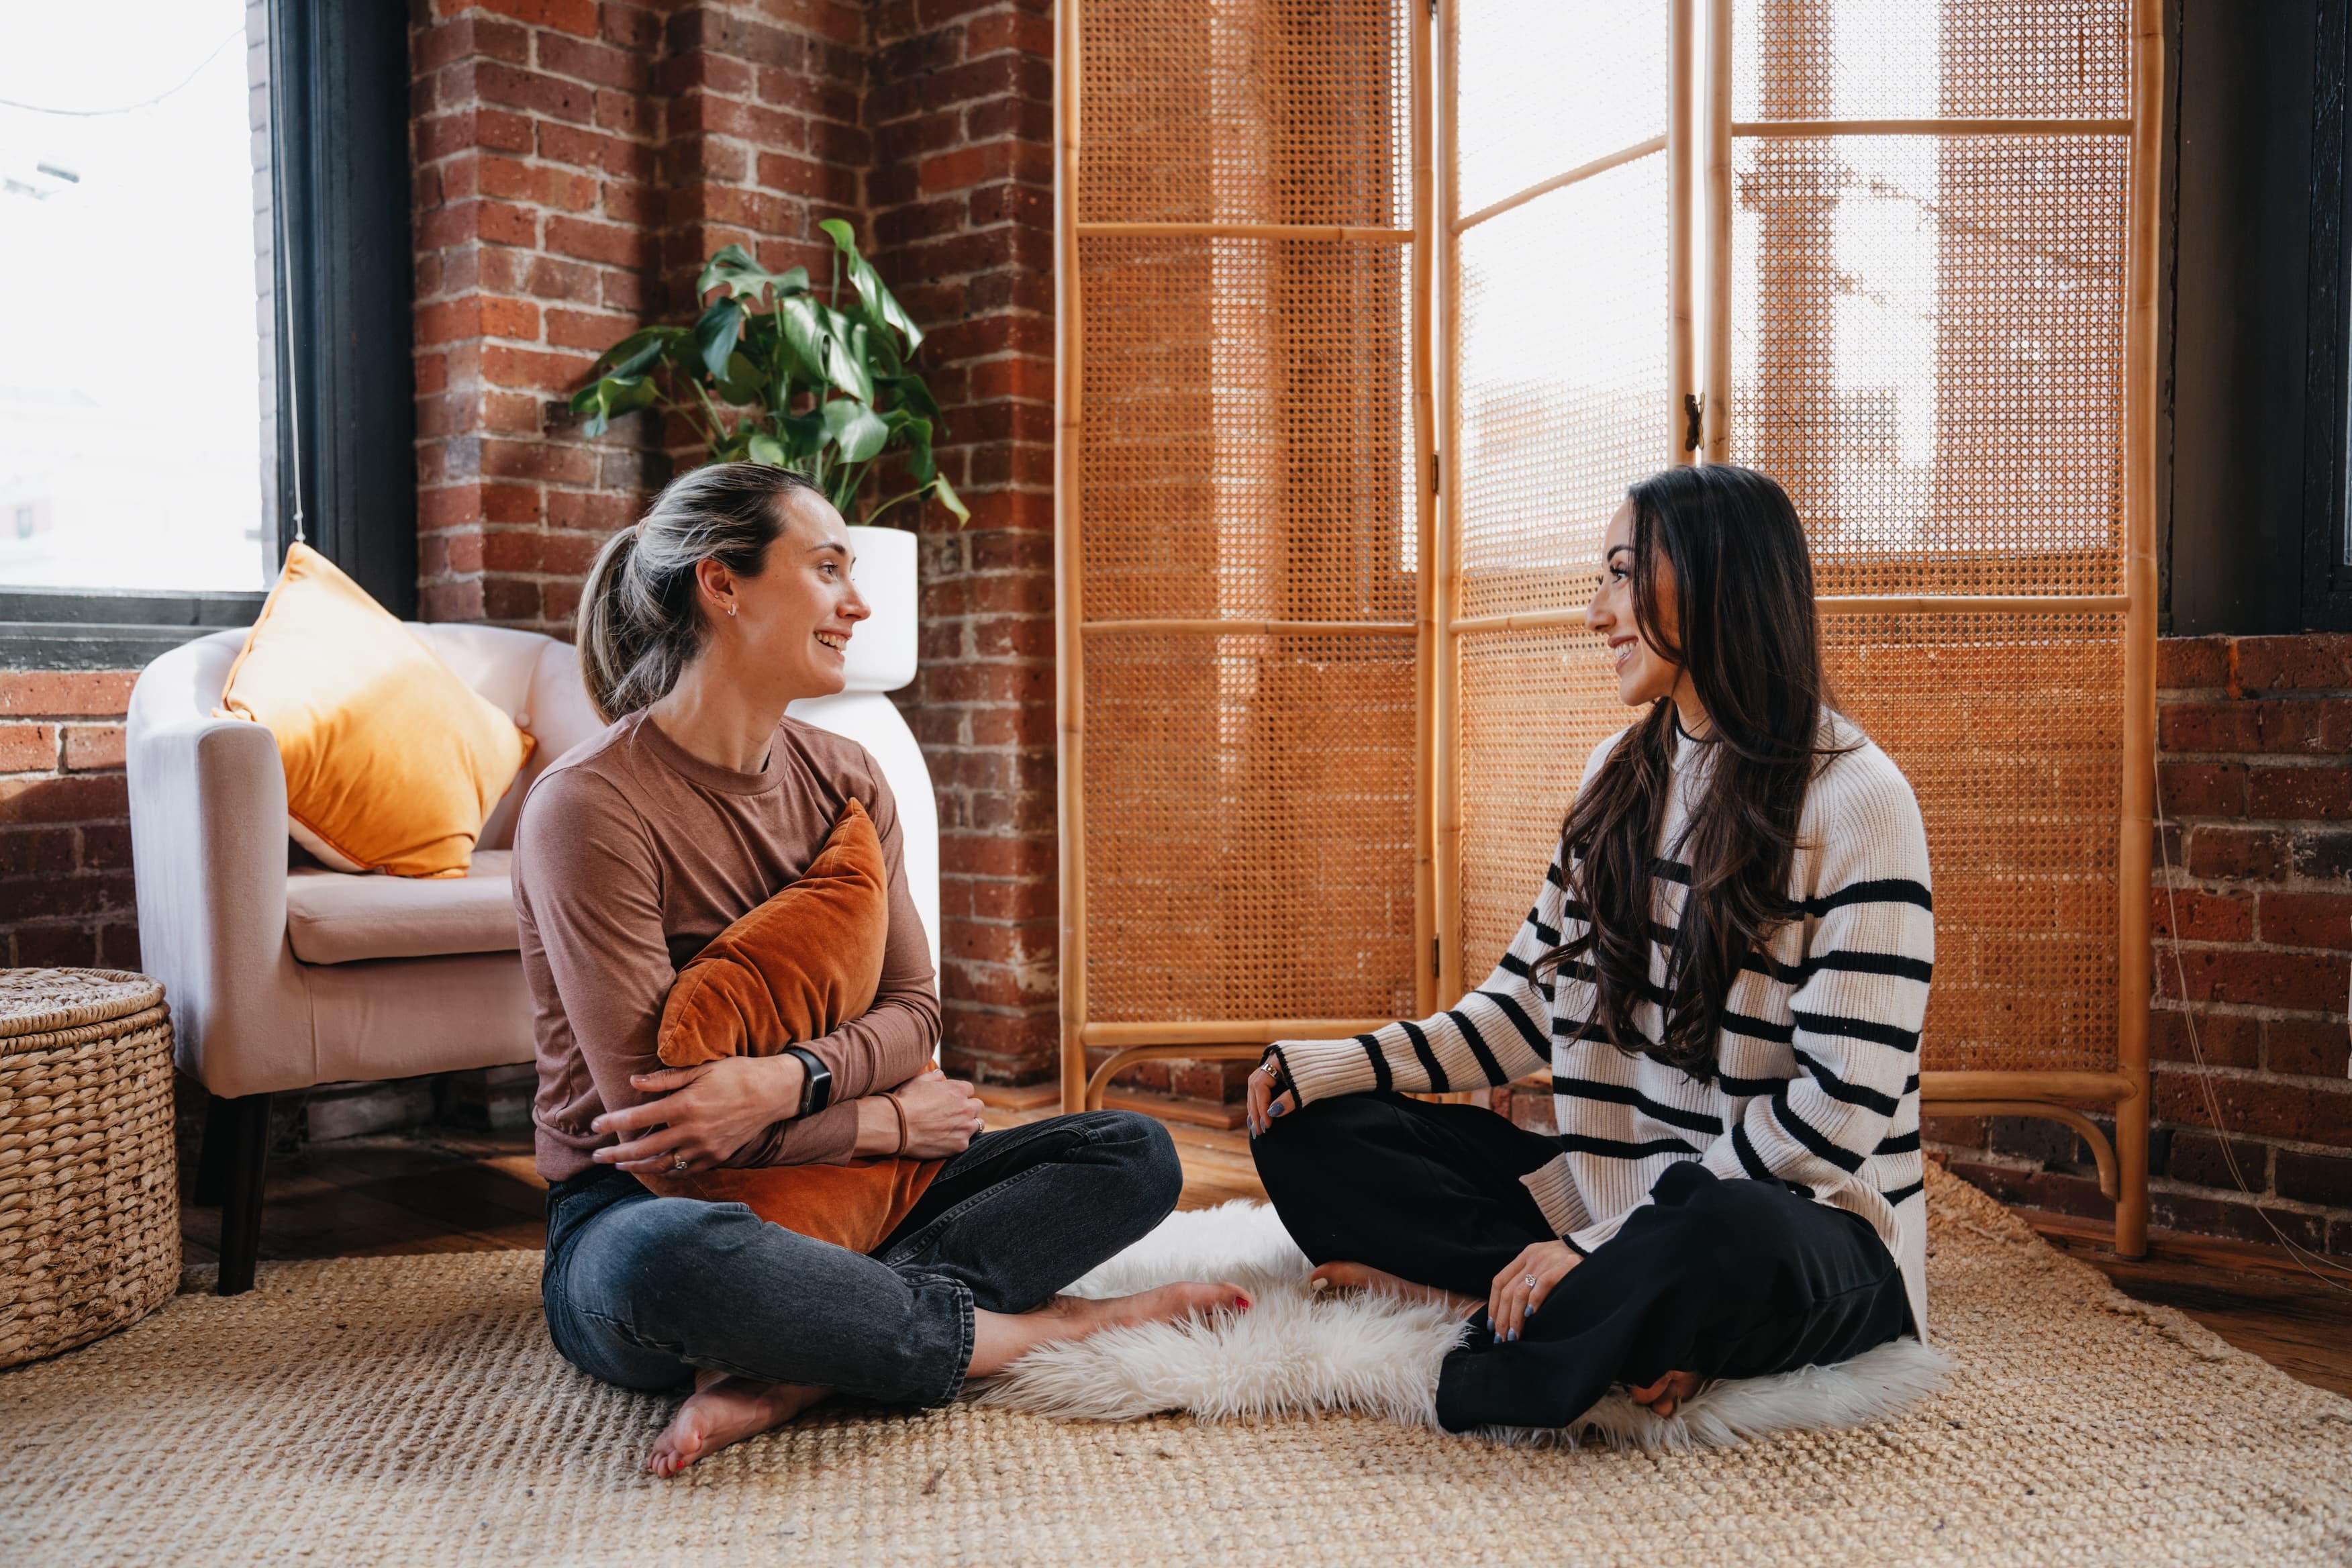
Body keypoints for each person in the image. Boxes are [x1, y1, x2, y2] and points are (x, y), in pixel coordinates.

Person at [516, 463, 1244, 1477]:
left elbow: (915, 1013)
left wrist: (789, 1080)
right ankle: (1026, 1334)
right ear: (721, 586)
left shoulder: (848, 776)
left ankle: (804, 1360)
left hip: (866, 1190)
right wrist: (885, 1120)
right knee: (666, 1266)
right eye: (826, 569)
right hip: (639, 1206)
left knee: (1133, 1152)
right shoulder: (590, 808)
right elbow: (661, 1141)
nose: (857, 605)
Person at [1246, 463, 1932, 1432]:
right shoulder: (1619, 777)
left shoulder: (1858, 801)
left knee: (1723, 1238)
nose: (1596, 611)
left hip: (1795, 1225)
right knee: (1310, 1129)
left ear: (1712, 580)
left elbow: (1834, 1124)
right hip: (1615, 1207)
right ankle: (1603, 1323)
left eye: (1620, 573)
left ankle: (1502, 1326)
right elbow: (1527, 1005)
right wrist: (1338, 1067)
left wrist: (1612, 1245)